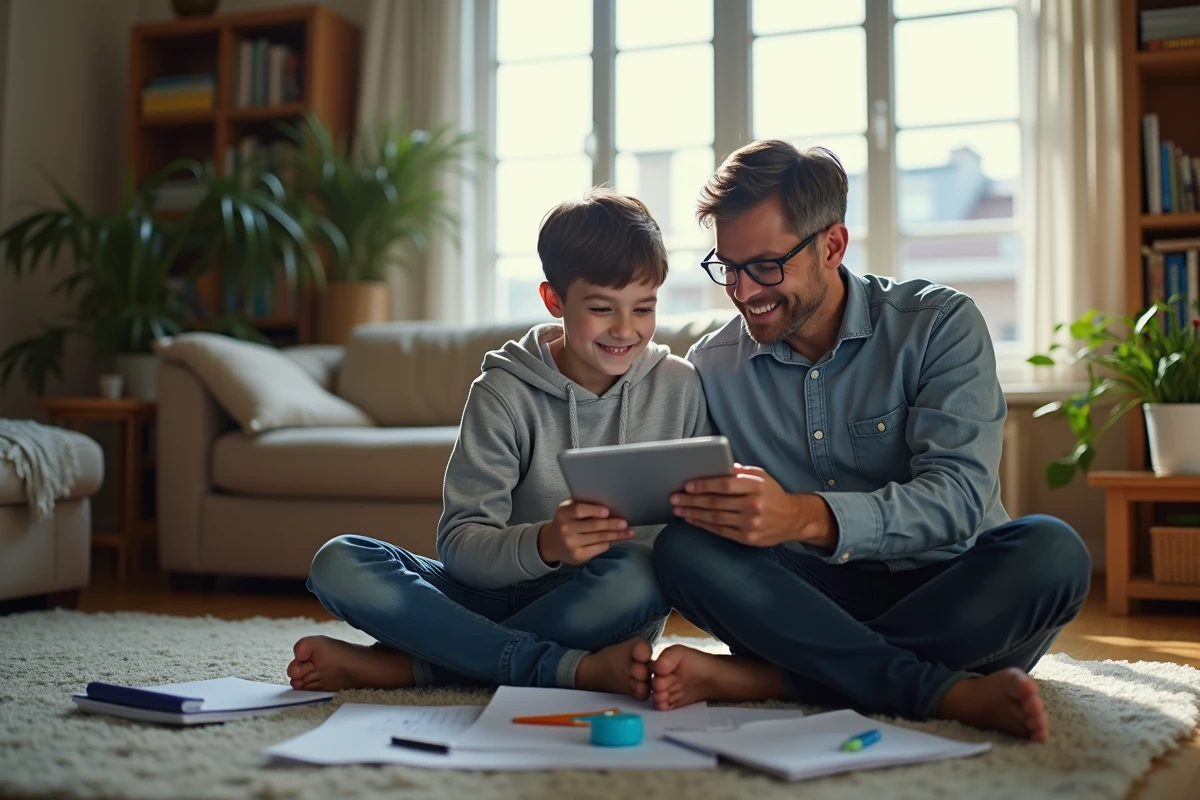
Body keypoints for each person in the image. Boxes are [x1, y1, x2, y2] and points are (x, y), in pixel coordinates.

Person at [649, 140, 1091, 742]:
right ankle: (935, 686)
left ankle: (776, 680)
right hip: (813, 602)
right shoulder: (713, 365)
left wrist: (803, 516)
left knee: (1053, 552)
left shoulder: (940, 325)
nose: (744, 291)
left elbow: (958, 499)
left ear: (832, 245)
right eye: (728, 267)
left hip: (952, 588)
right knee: (683, 548)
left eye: (766, 266)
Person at [286, 188, 709, 698]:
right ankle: (566, 670)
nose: (626, 329)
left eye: (643, 308)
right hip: (482, 595)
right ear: (554, 300)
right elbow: (461, 546)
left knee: (641, 573)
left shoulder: (681, 388)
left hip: (595, 603)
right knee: (339, 561)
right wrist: (547, 543)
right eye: (602, 308)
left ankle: (418, 667)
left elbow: (682, 547)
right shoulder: (503, 393)